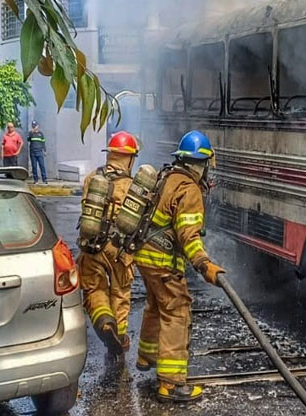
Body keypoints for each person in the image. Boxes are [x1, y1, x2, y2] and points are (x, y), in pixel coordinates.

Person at [133, 130, 224, 403]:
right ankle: (171, 384)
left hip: (144, 256)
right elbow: (188, 236)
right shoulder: (190, 189)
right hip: (161, 261)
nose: (209, 172)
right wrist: (205, 265)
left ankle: (147, 356)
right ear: (200, 163)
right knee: (177, 311)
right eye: (207, 164)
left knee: (156, 304)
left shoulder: (168, 177)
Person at [78, 132, 139, 357]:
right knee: (120, 292)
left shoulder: (92, 179)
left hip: (91, 245)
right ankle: (121, 338)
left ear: (110, 155)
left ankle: (105, 323)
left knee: (94, 288)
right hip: (118, 249)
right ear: (129, 158)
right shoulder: (133, 188)